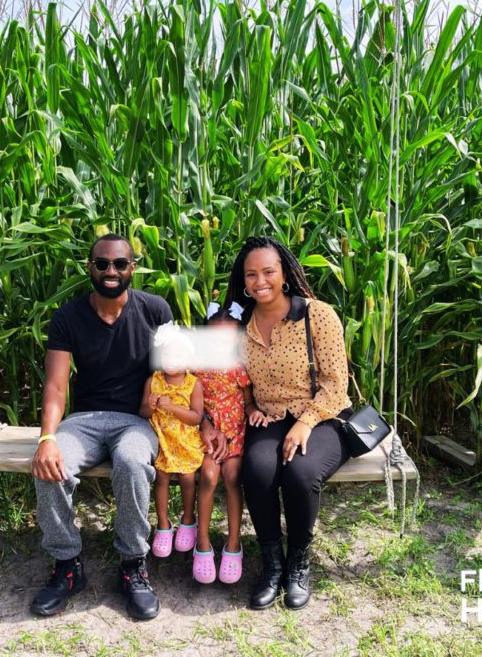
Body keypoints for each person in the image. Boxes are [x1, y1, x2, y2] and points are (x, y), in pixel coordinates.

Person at [30, 233, 172, 621]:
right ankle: (67, 565)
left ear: (133, 268)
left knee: (131, 461)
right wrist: (47, 438)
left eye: (120, 264)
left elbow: (170, 376)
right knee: (50, 465)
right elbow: (56, 385)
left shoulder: (155, 310)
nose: (111, 271)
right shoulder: (68, 316)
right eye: (103, 264)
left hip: (137, 420)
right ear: (90, 268)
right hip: (85, 420)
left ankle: (132, 565)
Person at [227, 236, 352, 611]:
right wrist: (249, 406)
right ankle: (272, 563)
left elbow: (336, 383)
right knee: (258, 470)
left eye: (268, 271)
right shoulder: (239, 325)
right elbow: (234, 380)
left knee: (300, 473)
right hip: (271, 417)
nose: (259, 281)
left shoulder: (318, 315)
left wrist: (306, 423)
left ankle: (298, 561)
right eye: (251, 274)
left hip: (324, 415)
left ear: (284, 274)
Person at [193, 301, 262, 584]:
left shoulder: (238, 368)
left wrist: (254, 411)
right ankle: (203, 543)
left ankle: (234, 544)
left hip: (235, 434)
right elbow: (192, 406)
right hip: (207, 434)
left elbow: (246, 403)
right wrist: (203, 426)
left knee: (233, 475)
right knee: (208, 475)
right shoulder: (197, 368)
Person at [140, 324, 205, 560]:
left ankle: (188, 520)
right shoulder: (153, 381)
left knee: (188, 478)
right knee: (161, 478)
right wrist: (151, 405)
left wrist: (173, 407)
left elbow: (196, 417)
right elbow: (143, 413)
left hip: (185, 440)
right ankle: (163, 524)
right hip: (161, 440)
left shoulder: (193, 384)